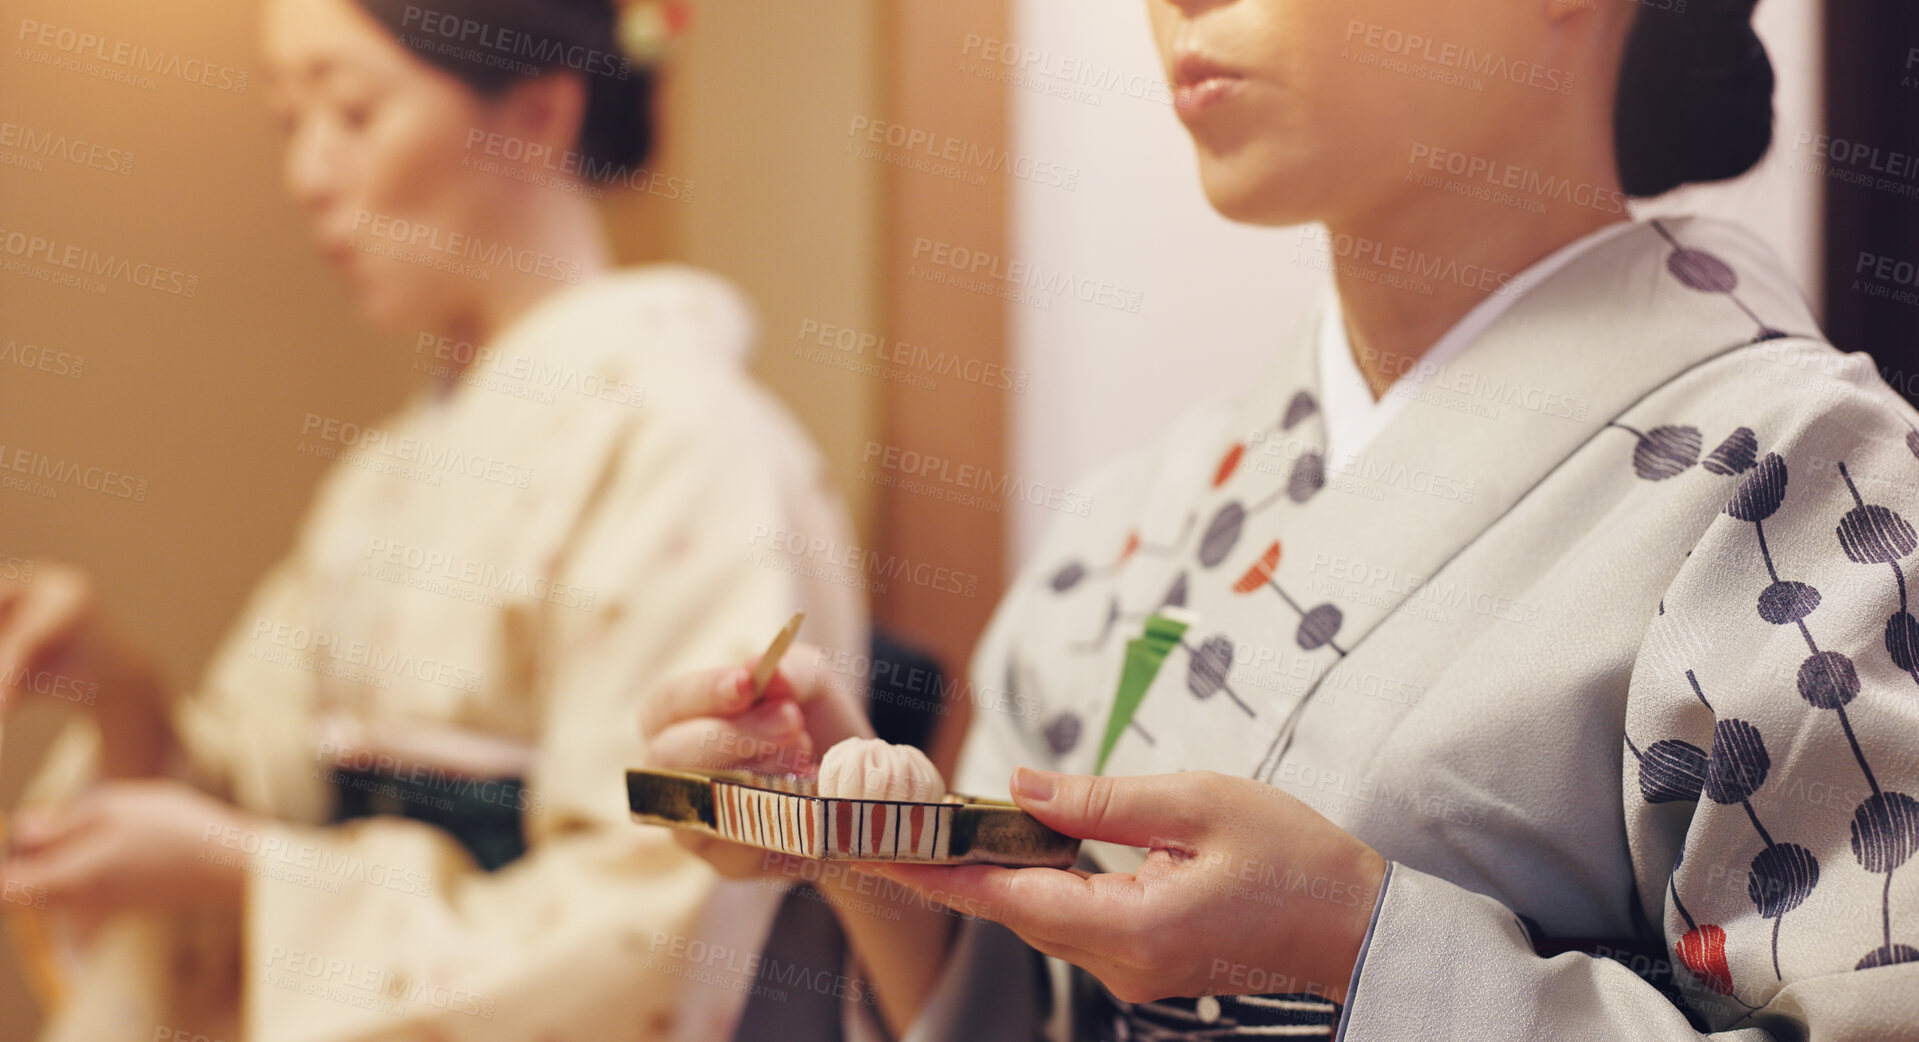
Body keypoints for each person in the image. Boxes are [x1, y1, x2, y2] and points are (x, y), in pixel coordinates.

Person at [643, 0, 1919, 1039]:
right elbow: (1022, 1017)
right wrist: (879, 854)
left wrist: (1354, 943)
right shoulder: (1137, 515)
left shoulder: (1809, 483)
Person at [0, 0, 865, 1039]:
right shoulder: (386, 475)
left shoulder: (692, 449)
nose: (308, 174)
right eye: (290, 122)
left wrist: (248, 877)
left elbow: (646, 928)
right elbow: (261, 782)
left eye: (352, 114)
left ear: (539, 112)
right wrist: (118, 689)